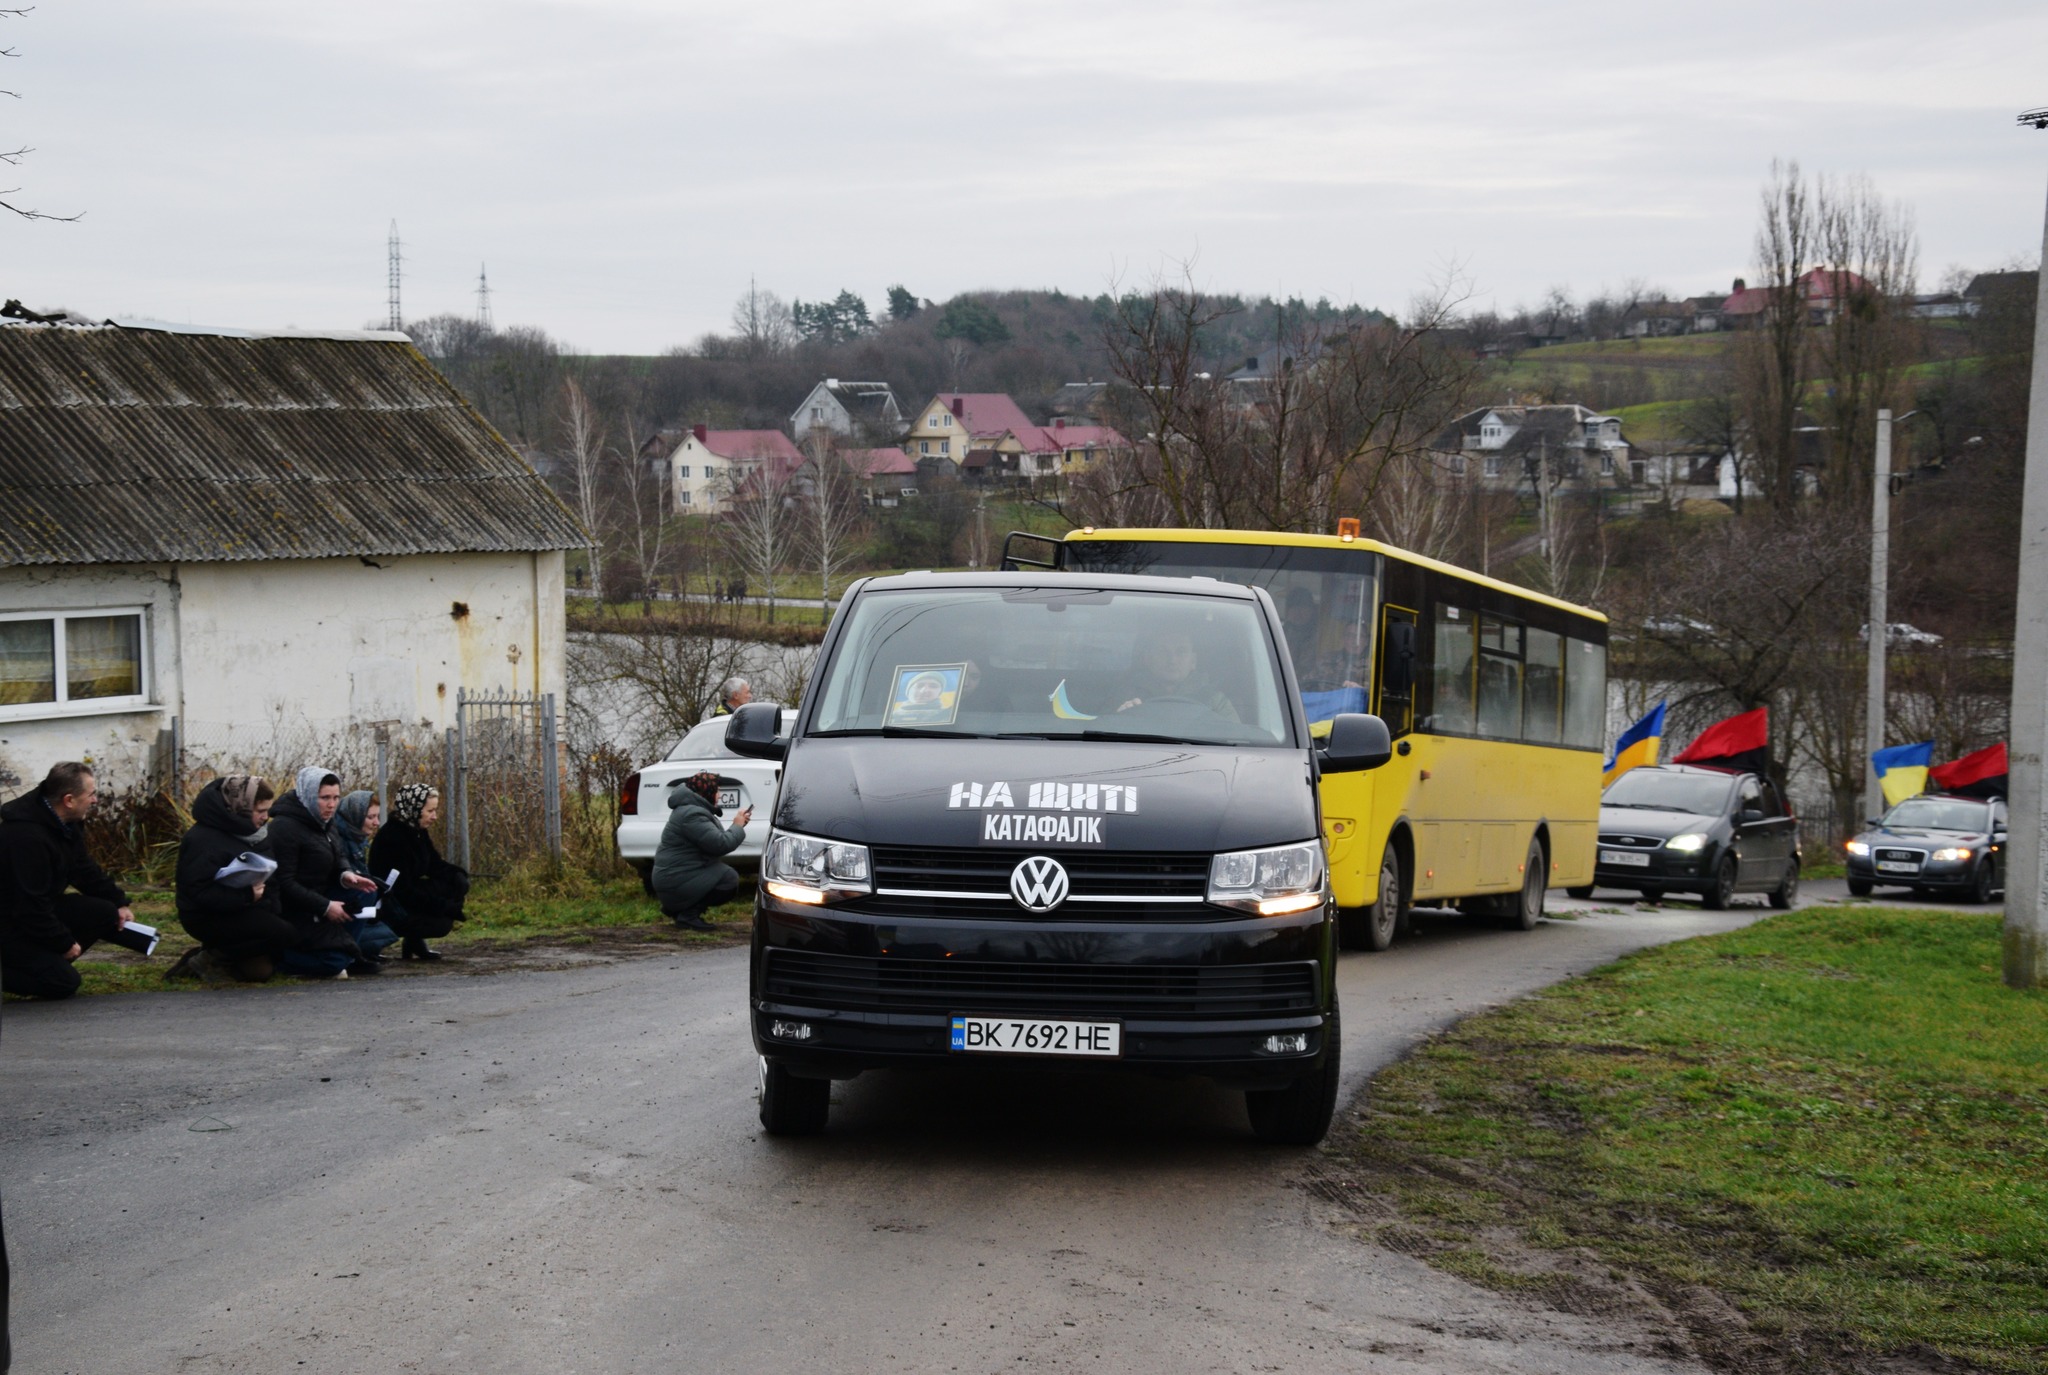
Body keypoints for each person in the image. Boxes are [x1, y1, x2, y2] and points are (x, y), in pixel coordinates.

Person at [0, 762, 136, 1001]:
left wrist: (118, 902)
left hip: (31, 911)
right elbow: (29, 904)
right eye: (91, 794)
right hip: (10, 921)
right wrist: (62, 942)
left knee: (104, 912)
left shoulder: (65, 824)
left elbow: (82, 868)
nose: (95, 800)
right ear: (69, 800)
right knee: (63, 983)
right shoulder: (25, 838)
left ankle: (47, 960)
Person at [169, 775, 310, 983]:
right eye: (260, 811)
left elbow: (271, 877)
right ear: (241, 808)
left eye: (267, 811)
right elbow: (197, 892)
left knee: (260, 972)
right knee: (285, 934)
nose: (266, 817)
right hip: (206, 915)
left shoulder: (256, 834)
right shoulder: (202, 838)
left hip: (246, 907)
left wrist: (271, 909)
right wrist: (246, 896)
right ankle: (210, 959)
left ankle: (210, 955)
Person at [268, 766, 392, 978]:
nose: (332, 804)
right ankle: (279, 959)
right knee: (333, 964)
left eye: (336, 797)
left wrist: (346, 875)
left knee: (366, 890)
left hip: (321, 895)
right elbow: (284, 883)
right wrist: (325, 906)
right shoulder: (284, 827)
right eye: (325, 798)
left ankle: (348, 953)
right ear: (308, 795)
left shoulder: (325, 821)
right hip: (296, 909)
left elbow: (338, 855)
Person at [369, 784, 466, 961]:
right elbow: (402, 890)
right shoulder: (393, 837)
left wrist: (458, 876)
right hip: (390, 902)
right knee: (441, 923)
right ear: (414, 809)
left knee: (454, 883)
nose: (434, 816)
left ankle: (413, 942)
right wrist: (443, 906)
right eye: (430, 811)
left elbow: (434, 864)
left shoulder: (417, 831)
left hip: (408, 892)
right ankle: (382, 939)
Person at [652, 772, 750, 932]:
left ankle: (680, 909)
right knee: (728, 879)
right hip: (673, 879)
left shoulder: (691, 810)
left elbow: (712, 842)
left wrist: (738, 825)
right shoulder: (692, 815)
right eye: (717, 791)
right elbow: (721, 845)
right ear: (707, 792)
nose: (719, 795)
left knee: (722, 872)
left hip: (674, 876)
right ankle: (688, 915)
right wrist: (737, 826)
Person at [1117, 628, 1240, 721]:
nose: (1172, 660)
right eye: (1163, 651)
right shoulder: (1125, 695)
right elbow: (1108, 734)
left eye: (1181, 652)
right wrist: (1121, 718)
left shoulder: (1215, 701)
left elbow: (1234, 737)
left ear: (1193, 661)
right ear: (1147, 659)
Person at [334, 790, 378, 875]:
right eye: (370, 817)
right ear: (355, 816)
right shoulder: (340, 842)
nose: (377, 822)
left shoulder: (356, 839)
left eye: (377, 816)